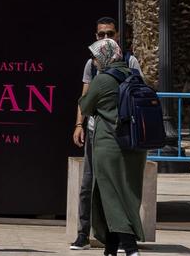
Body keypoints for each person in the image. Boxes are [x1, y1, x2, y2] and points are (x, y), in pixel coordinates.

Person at [68, 15, 133, 250]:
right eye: (101, 34)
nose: (106, 38)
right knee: (87, 185)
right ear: (96, 36)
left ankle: (123, 238)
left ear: (117, 35)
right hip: (96, 133)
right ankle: (83, 234)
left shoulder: (130, 62)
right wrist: (79, 125)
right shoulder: (92, 64)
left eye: (110, 34)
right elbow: (85, 97)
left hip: (121, 135)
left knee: (118, 187)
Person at [73, 39, 144, 256]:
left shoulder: (103, 79)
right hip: (134, 145)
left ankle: (130, 247)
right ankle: (110, 248)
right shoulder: (133, 75)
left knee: (110, 194)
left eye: (95, 57)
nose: (94, 62)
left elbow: (85, 105)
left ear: (104, 57)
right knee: (113, 194)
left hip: (108, 144)